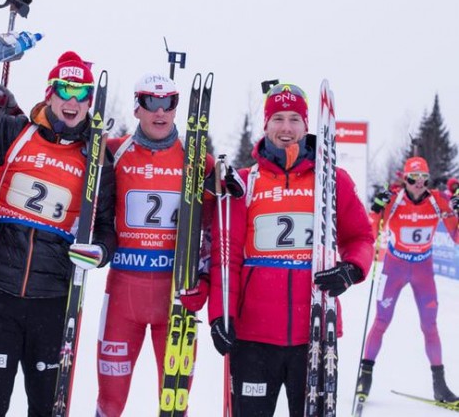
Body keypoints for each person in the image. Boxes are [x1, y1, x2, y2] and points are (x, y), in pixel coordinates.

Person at [0, 49, 117, 417]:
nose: (72, 101)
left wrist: (99, 251)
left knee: (46, 407)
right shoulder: (12, 131)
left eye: (81, 93)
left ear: (90, 102)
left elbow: (105, 228)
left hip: (54, 302)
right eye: (64, 91)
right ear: (49, 92)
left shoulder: (96, 156)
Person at [194, 83, 374, 416]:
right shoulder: (244, 183)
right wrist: (220, 315)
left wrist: (351, 269)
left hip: (315, 337)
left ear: (307, 126)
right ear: (265, 125)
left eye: (295, 119)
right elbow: (226, 258)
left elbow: (361, 237)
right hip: (252, 338)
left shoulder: (332, 181)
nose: (286, 128)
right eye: (277, 118)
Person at [95, 73, 214, 416]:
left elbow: (212, 230)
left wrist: (204, 279)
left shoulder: (197, 161)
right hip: (122, 297)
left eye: (168, 104)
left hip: (175, 298)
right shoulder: (114, 152)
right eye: (151, 103)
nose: (160, 112)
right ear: (137, 108)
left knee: (175, 402)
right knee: (110, 402)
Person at [357, 156, 459, 403]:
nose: (418, 183)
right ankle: (365, 376)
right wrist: (375, 209)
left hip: (423, 269)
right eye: (413, 178)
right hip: (395, 267)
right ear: (405, 179)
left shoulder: (437, 200)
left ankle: (440, 384)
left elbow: (456, 236)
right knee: (381, 321)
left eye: (424, 178)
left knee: (430, 326)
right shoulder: (393, 199)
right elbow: (370, 232)